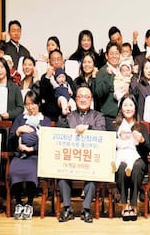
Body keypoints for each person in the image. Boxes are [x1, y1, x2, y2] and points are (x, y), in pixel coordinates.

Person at [56, 86, 106, 223]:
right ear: (76, 99)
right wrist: (63, 116)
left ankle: (86, 210)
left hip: (90, 160)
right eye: (80, 96)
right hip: (71, 159)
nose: (83, 99)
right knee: (61, 174)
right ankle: (67, 209)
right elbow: (59, 133)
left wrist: (88, 128)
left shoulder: (98, 116)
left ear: (91, 99)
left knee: (92, 175)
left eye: (86, 97)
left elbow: (102, 132)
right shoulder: (69, 115)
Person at [9, 91, 51, 220]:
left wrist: (31, 148)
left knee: (32, 171)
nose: (30, 107)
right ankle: (18, 203)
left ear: (38, 104)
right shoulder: (20, 119)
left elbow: (47, 141)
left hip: (36, 155)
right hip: (20, 154)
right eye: (27, 104)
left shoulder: (45, 120)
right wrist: (18, 132)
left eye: (33, 104)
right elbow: (10, 141)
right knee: (13, 170)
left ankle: (30, 203)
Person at [113, 94, 150, 221]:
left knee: (137, 167)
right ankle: (124, 205)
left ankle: (133, 204)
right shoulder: (116, 126)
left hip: (138, 159)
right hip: (121, 157)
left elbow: (149, 149)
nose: (128, 108)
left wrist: (142, 140)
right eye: (125, 105)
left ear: (135, 108)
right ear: (121, 108)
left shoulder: (141, 126)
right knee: (121, 167)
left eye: (131, 105)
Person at [94, 41, 122, 129]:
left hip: (121, 117)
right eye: (112, 54)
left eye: (116, 53)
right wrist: (108, 76)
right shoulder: (103, 71)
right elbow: (99, 93)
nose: (114, 56)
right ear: (106, 56)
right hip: (108, 118)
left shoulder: (121, 71)